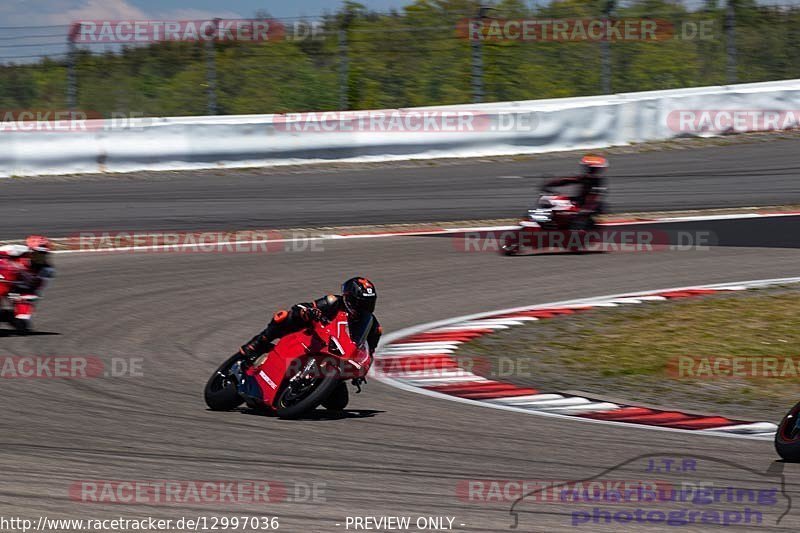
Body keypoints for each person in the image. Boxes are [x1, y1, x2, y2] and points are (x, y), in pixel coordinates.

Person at [238, 277, 382, 365]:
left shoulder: (372, 325)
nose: (364, 309)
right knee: (283, 316)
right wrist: (309, 312)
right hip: (313, 336)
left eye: (368, 305)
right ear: (348, 298)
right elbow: (302, 307)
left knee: (338, 402)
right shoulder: (333, 302)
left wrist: (362, 368)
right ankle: (257, 342)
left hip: (337, 357)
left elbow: (370, 352)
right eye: (360, 304)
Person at [542, 154, 609, 225]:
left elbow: (593, 199)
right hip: (578, 204)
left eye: (592, 170)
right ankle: (546, 222)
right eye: (589, 169)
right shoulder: (584, 178)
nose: (589, 171)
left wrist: (583, 211)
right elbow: (566, 180)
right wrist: (549, 184)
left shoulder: (598, 184)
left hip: (590, 210)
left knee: (568, 214)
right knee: (551, 200)